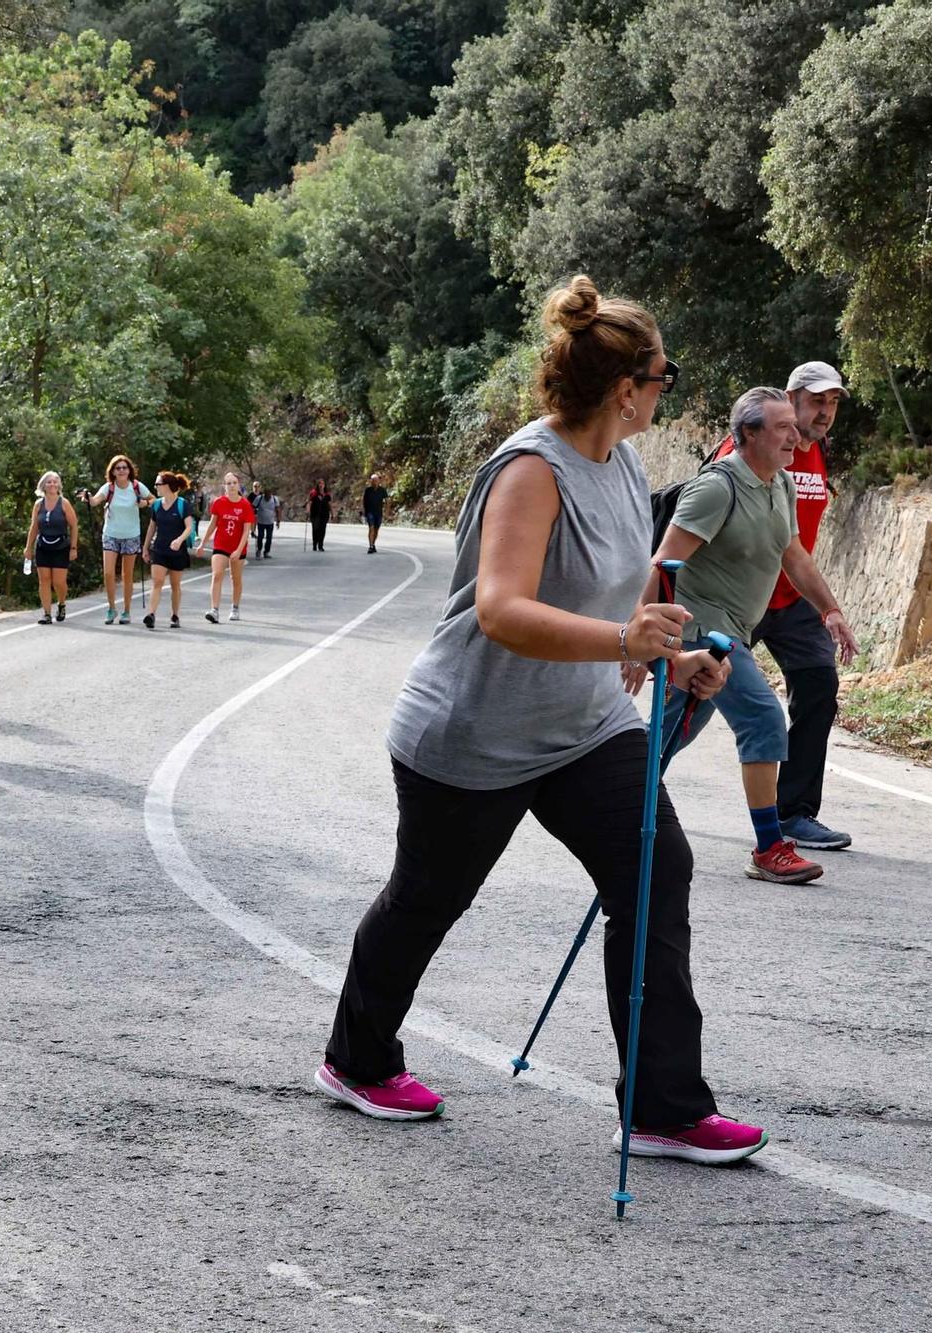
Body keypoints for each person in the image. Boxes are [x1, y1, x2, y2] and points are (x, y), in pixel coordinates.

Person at [317, 275, 769, 1172]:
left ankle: (662, 1106)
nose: (666, 386)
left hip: (584, 724)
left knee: (654, 871)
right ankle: (356, 1059)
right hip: (473, 732)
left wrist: (667, 654)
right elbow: (499, 609)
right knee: (427, 900)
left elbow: (627, 580)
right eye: (662, 373)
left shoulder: (624, 461)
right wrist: (617, 639)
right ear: (625, 388)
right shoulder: (531, 469)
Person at [639, 387, 858, 885]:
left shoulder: (781, 485)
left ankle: (619, 793)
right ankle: (770, 847)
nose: (795, 435)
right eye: (782, 427)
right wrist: (642, 637)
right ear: (748, 434)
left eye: (793, 426)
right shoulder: (718, 488)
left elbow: (794, 556)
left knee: (675, 730)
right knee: (762, 717)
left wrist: (830, 610)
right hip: (700, 627)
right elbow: (662, 565)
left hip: (733, 625)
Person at [706, 363, 852, 849]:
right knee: (692, 700)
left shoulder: (816, 454)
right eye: (816, 401)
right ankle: (635, 782)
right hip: (735, 599)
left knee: (818, 684)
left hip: (789, 599)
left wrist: (829, 609)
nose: (825, 412)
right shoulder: (748, 452)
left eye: (832, 402)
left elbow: (796, 548)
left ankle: (793, 813)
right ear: (790, 399)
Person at [81, 456, 151, 624]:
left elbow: (154, 500)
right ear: (112, 471)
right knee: (108, 573)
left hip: (131, 535)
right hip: (111, 534)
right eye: (118, 468)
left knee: (127, 575)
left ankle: (126, 611)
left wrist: (144, 503)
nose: (121, 470)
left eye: (124, 467)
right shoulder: (109, 488)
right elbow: (95, 500)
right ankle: (111, 609)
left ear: (129, 470)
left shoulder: (136, 486)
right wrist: (88, 498)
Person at [142, 470, 197, 628]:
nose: (156, 487)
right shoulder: (157, 505)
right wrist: (145, 548)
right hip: (159, 549)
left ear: (167, 486)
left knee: (175, 585)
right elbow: (151, 528)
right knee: (157, 582)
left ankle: (175, 615)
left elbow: (189, 527)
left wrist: (179, 540)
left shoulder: (182, 505)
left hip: (177, 552)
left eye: (158, 484)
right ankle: (151, 614)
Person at [24, 470, 78, 623]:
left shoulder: (64, 503)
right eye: (49, 482)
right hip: (43, 546)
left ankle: (61, 604)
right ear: (44, 486)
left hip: (61, 546)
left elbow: (74, 525)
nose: (52, 484)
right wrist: (28, 547)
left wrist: (73, 547)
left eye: (55, 481)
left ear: (59, 485)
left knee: (58, 582)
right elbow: (34, 527)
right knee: (44, 580)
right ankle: (46, 613)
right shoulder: (38, 505)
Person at [202, 471, 253, 624]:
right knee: (217, 574)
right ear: (224, 486)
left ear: (239, 485)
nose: (231, 486)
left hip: (238, 547)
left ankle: (235, 607)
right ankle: (214, 610)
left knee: (235, 578)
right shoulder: (219, 502)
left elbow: (246, 531)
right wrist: (203, 543)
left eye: (234, 483)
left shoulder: (245, 505)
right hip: (221, 544)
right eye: (228, 483)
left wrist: (238, 550)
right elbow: (213, 524)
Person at [362, 473, 387, 553]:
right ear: (371, 481)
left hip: (379, 512)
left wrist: (387, 511)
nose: (374, 482)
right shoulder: (368, 490)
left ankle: (373, 544)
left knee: (376, 530)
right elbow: (364, 501)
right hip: (370, 512)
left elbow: (387, 501)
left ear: (379, 481)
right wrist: (364, 511)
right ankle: (370, 546)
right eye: (373, 481)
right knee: (371, 528)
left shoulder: (382, 490)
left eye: (376, 480)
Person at [253, 489, 279, 559]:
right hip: (261, 522)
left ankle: (266, 552)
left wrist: (278, 521)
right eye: (266, 495)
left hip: (270, 522)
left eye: (269, 495)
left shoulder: (274, 499)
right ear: (264, 494)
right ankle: (258, 551)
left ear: (271, 494)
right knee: (260, 537)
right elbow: (253, 507)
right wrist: (253, 518)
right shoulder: (259, 498)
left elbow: (277, 510)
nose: (268, 497)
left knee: (269, 538)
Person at [309, 480, 331, 552]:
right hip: (315, 514)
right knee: (315, 529)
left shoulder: (327, 495)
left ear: (324, 485)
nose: (321, 485)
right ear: (317, 485)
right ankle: (315, 544)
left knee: (322, 530)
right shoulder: (314, 493)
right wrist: (308, 510)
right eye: (319, 483)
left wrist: (332, 513)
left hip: (324, 515)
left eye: (322, 483)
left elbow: (329, 504)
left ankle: (320, 545)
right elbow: (310, 502)